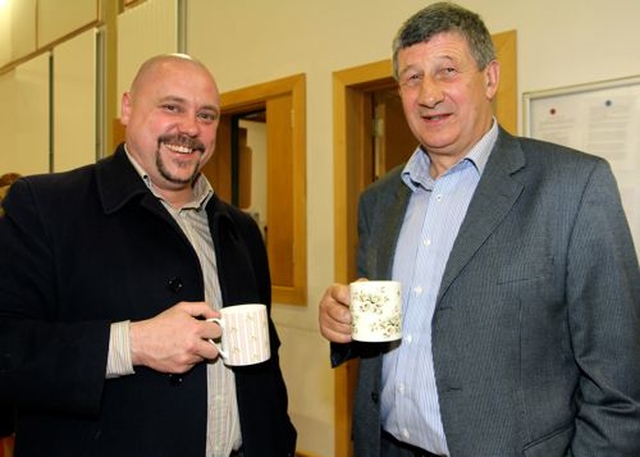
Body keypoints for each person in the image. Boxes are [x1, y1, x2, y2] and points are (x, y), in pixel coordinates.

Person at [319, 3, 640, 456]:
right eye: (412, 78)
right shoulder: (379, 199)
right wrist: (343, 324)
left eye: (447, 71)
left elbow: (620, 387)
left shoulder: (573, 187)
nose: (428, 94)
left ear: (490, 77)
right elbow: (387, 329)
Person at [0, 53, 296, 457]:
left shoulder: (240, 229)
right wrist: (132, 343)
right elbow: (8, 350)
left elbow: (265, 363)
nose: (190, 128)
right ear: (127, 107)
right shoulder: (45, 207)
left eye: (207, 116)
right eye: (171, 107)